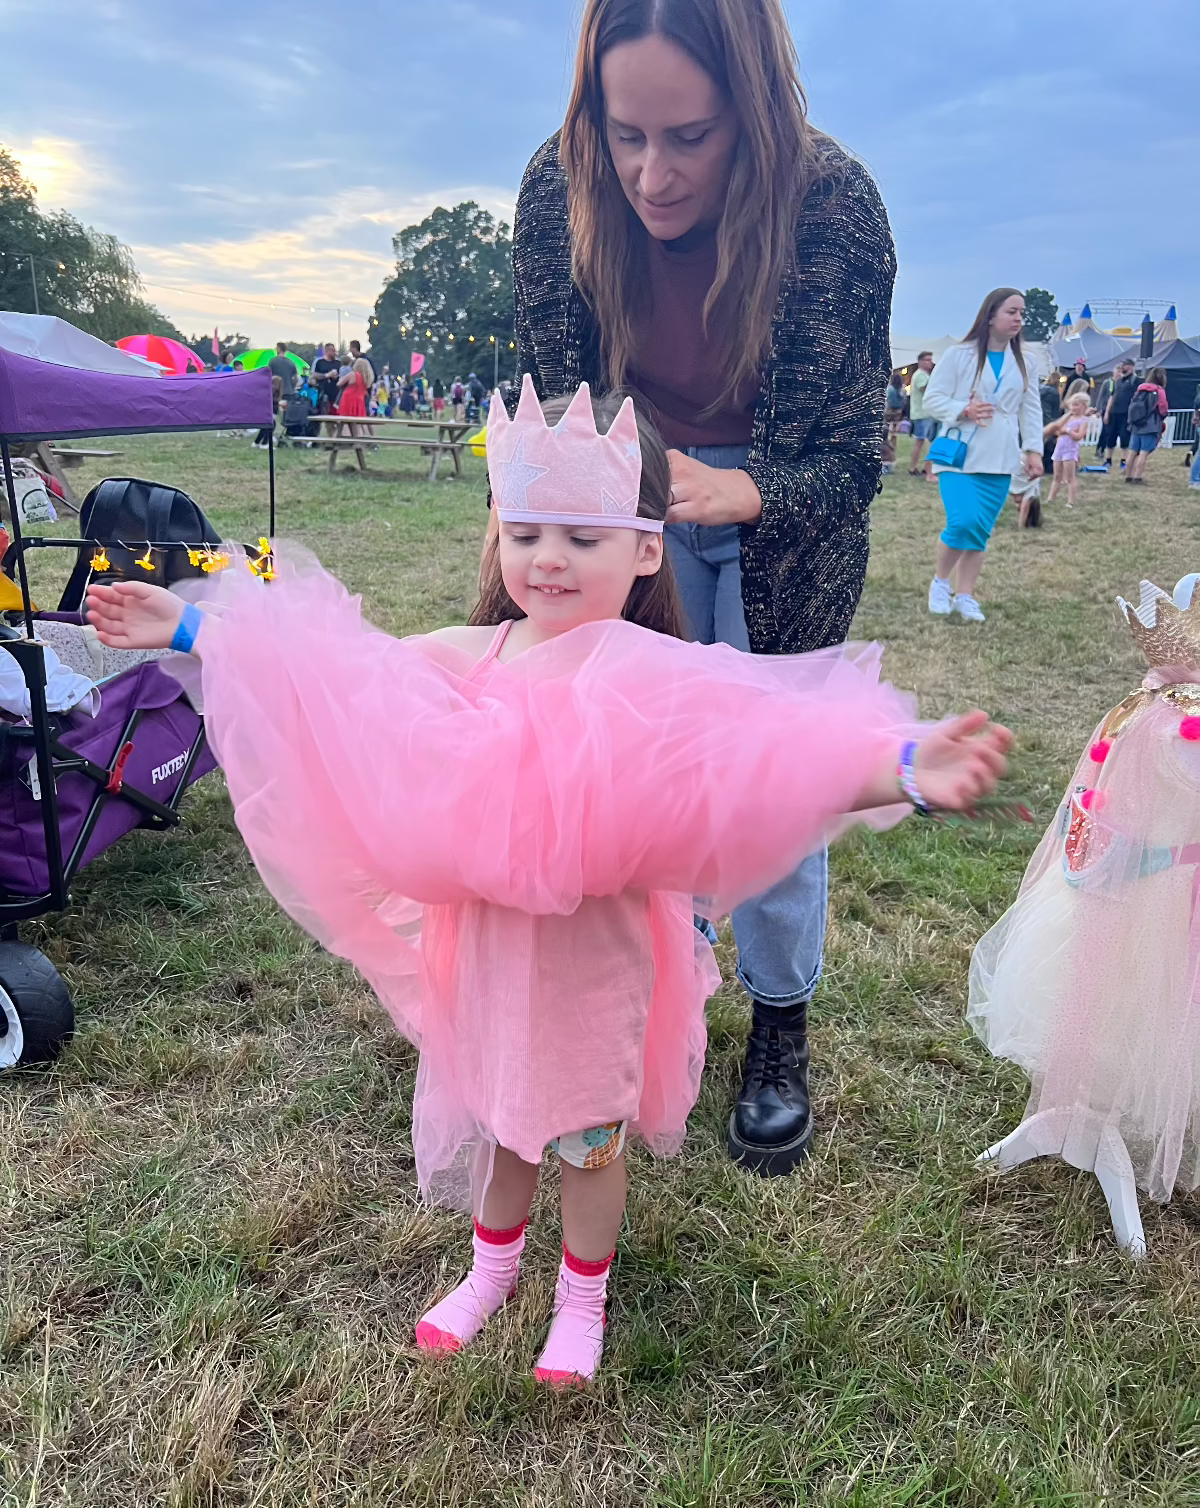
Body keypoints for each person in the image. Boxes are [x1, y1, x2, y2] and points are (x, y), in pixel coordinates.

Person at [84, 377, 1011, 1384]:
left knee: (585, 1140)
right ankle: (490, 1271)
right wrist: (192, 629)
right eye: (525, 533)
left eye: (581, 536)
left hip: (593, 964)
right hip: (488, 950)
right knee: (502, 1116)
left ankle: (582, 1295)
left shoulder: (657, 677)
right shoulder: (468, 655)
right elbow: (343, 676)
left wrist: (902, 768)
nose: (549, 559)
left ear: (645, 548)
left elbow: (769, 744)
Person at [510, 0, 897, 1176]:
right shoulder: (554, 192)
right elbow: (558, 406)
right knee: (639, 766)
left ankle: (778, 1024)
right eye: (627, 134)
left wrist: (754, 490)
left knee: (771, 775)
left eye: (690, 137)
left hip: (783, 519)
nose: (652, 173)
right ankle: (652, 998)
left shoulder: (835, 209)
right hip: (636, 504)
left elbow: (854, 453)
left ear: (757, 113)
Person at [969, 574, 1200, 1254]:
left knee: (1111, 1003)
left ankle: (1088, 1117)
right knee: (1126, 1006)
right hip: (1146, 904)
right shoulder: (1177, 722)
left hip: (1116, 895)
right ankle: (1076, 1118)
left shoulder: (1141, 703)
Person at [922, 288, 1044, 622]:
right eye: (1012, 312)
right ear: (990, 315)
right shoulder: (959, 355)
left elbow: (1030, 409)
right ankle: (940, 582)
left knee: (979, 531)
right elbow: (933, 399)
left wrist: (1033, 450)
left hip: (1001, 457)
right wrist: (964, 408)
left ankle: (965, 596)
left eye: (1022, 313)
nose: (1019, 318)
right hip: (960, 455)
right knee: (964, 521)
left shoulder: (1027, 362)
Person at [1125, 366, 1169, 485]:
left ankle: (1128, 476)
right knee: (1144, 452)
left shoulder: (1141, 389)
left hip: (1136, 424)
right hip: (1150, 424)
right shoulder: (1159, 390)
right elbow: (1163, 408)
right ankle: (1138, 478)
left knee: (1132, 451)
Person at [1046, 390, 1090, 509]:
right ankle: (1050, 498)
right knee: (1057, 476)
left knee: (1070, 477)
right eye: (1072, 405)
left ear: (1084, 406)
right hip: (1059, 449)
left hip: (1070, 451)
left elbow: (1079, 436)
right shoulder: (1067, 418)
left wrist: (1068, 431)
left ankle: (1070, 501)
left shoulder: (1083, 421)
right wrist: (1062, 428)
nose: (1074, 407)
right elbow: (1057, 429)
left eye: (1077, 405)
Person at [1101, 359, 1136, 472]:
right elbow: (1112, 396)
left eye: (1124, 365)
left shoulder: (1135, 381)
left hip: (1126, 414)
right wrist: (1107, 412)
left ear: (1131, 367)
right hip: (1113, 413)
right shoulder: (1118, 381)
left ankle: (1124, 460)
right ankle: (1108, 459)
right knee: (1110, 437)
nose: (1122, 367)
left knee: (1124, 438)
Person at [908, 351, 937, 476]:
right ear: (920, 361)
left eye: (931, 359)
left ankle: (918, 467)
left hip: (924, 413)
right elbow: (928, 392)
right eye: (927, 360)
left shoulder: (924, 375)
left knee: (922, 442)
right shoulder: (920, 375)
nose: (930, 362)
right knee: (923, 442)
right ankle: (915, 467)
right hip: (922, 414)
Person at [1039, 370, 1062, 479]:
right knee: (1049, 446)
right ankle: (1048, 467)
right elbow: (1055, 411)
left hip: (1038, 420)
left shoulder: (1039, 389)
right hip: (1049, 420)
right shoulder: (1054, 393)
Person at [883, 369, 905, 472]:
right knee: (895, 431)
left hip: (889, 410)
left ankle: (886, 441)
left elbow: (889, 400)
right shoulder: (901, 389)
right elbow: (903, 400)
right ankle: (893, 445)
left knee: (886, 428)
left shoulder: (890, 389)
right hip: (898, 411)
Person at [313, 342, 341, 414]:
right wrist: (327, 375)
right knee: (326, 418)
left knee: (337, 418)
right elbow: (314, 375)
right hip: (323, 394)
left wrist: (337, 376)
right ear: (327, 351)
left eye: (335, 350)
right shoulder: (319, 362)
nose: (334, 352)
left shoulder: (338, 363)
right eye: (332, 351)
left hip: (336, 395)